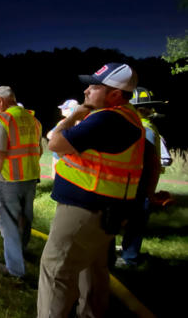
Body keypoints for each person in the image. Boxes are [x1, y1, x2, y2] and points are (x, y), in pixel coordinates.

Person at [37, 63, 145, 318]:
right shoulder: (130, 117)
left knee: (55, 270)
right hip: (107, 211)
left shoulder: (106, 118)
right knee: (94, 271)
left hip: (83, 213)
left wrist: (73, 116)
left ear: (115, 95)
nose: (86, 91)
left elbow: (55, 143)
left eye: (95, 87)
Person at [0, 86, 42, 279]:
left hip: (9, 180)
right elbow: (39, 150)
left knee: (9, 224)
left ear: (0, 102)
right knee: (25, 219)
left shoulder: (2, 120)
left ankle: (15, 269)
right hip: (30, 178)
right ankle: (22, 250)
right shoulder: (33, 119)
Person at [117, 87, 164, 267]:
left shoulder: (144, 129)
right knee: (133, 220)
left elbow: (152, 163)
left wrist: (149, 191)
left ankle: (130, 258)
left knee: (136, 221)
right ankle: (128, 250)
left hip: (140, 184)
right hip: (137, 182)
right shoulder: (146, 126)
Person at [46, 99, 79, 179]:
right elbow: (49, 135)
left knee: (67, 179)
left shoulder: (78, 122)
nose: (62, 109)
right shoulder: (63, 122)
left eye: (65, 108)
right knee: (56, 179)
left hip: (68, 157)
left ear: (72, 109)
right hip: (58, 155)